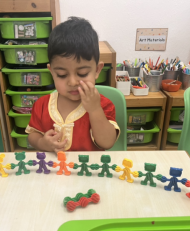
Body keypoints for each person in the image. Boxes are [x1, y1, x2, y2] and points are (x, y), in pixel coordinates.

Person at [26, 17, 120, 152]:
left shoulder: (103, 105)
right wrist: (42, 143)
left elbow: (107, 143)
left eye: (82, 73)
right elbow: (32, 135)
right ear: (52, 72)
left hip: (88, 170)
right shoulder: (42, 105)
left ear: (97, 70)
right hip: (55, 169)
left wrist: (94, 110)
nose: (72, 82)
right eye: (62, 75)